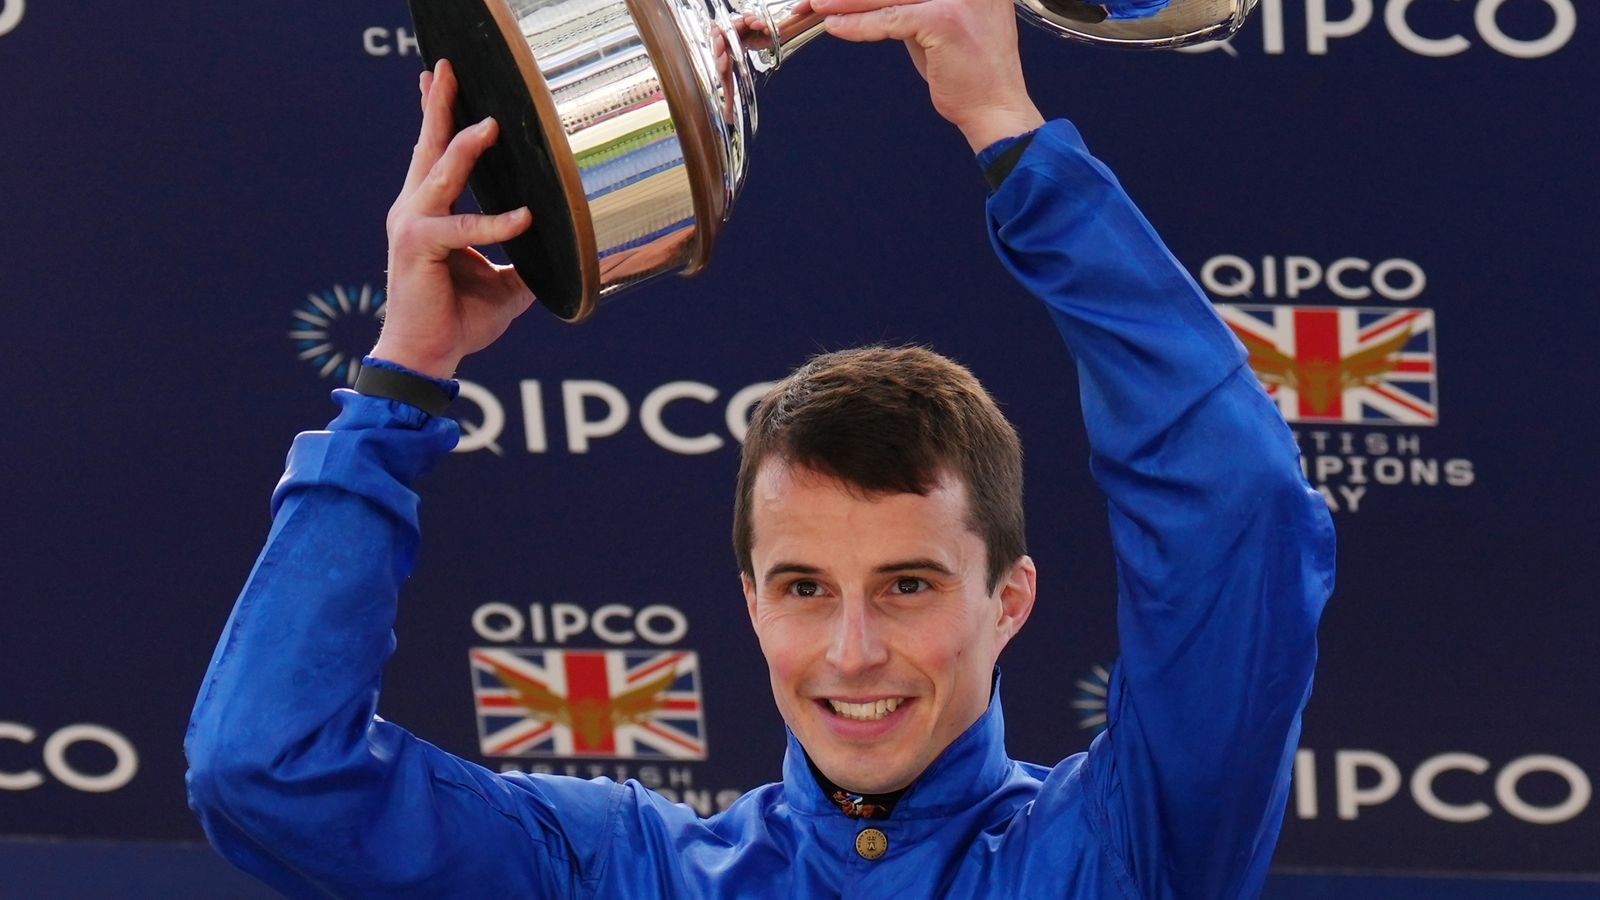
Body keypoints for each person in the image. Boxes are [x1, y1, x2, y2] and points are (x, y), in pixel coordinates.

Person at [185, 0, 1335, 894]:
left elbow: (1237, 509)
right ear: (748, 603)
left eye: (908, 585)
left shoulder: (1120, 857)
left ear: (1011, 600)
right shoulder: (622, 874)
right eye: (803, 586)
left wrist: (1011, 135)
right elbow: (265, 772)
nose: (850, 651)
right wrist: (400, 387)